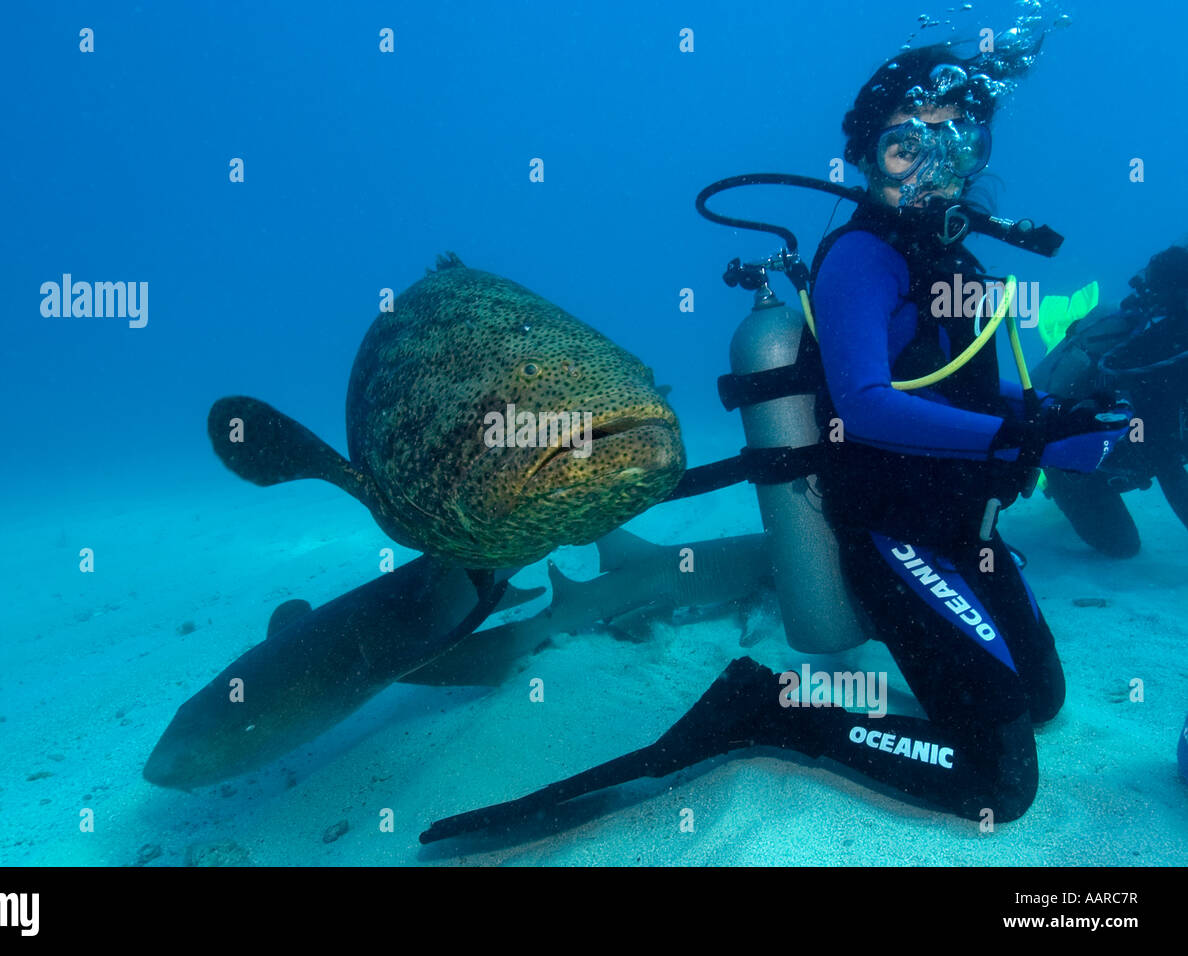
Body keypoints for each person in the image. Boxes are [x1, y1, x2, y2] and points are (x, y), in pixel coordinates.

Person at [421, 44, 1133, 844]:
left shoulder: (949, 256)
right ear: (867, 156)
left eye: (959, 142)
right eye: (907, 146)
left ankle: (893, 684)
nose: (934, 169)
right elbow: (866, 407)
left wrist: (1056, 418)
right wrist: (1025, 440)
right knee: (1000, 782)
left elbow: (949, 384)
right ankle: (776, 714)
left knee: (1043, 704)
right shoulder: (864, 256)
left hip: (971, 534)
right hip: (899, 537)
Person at [1035, 242, 1188, 556]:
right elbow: (1168, 466)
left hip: (1136, 446)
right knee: (1121, 547)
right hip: (1081, 451)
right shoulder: (1154, 359)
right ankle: (1055, 478)